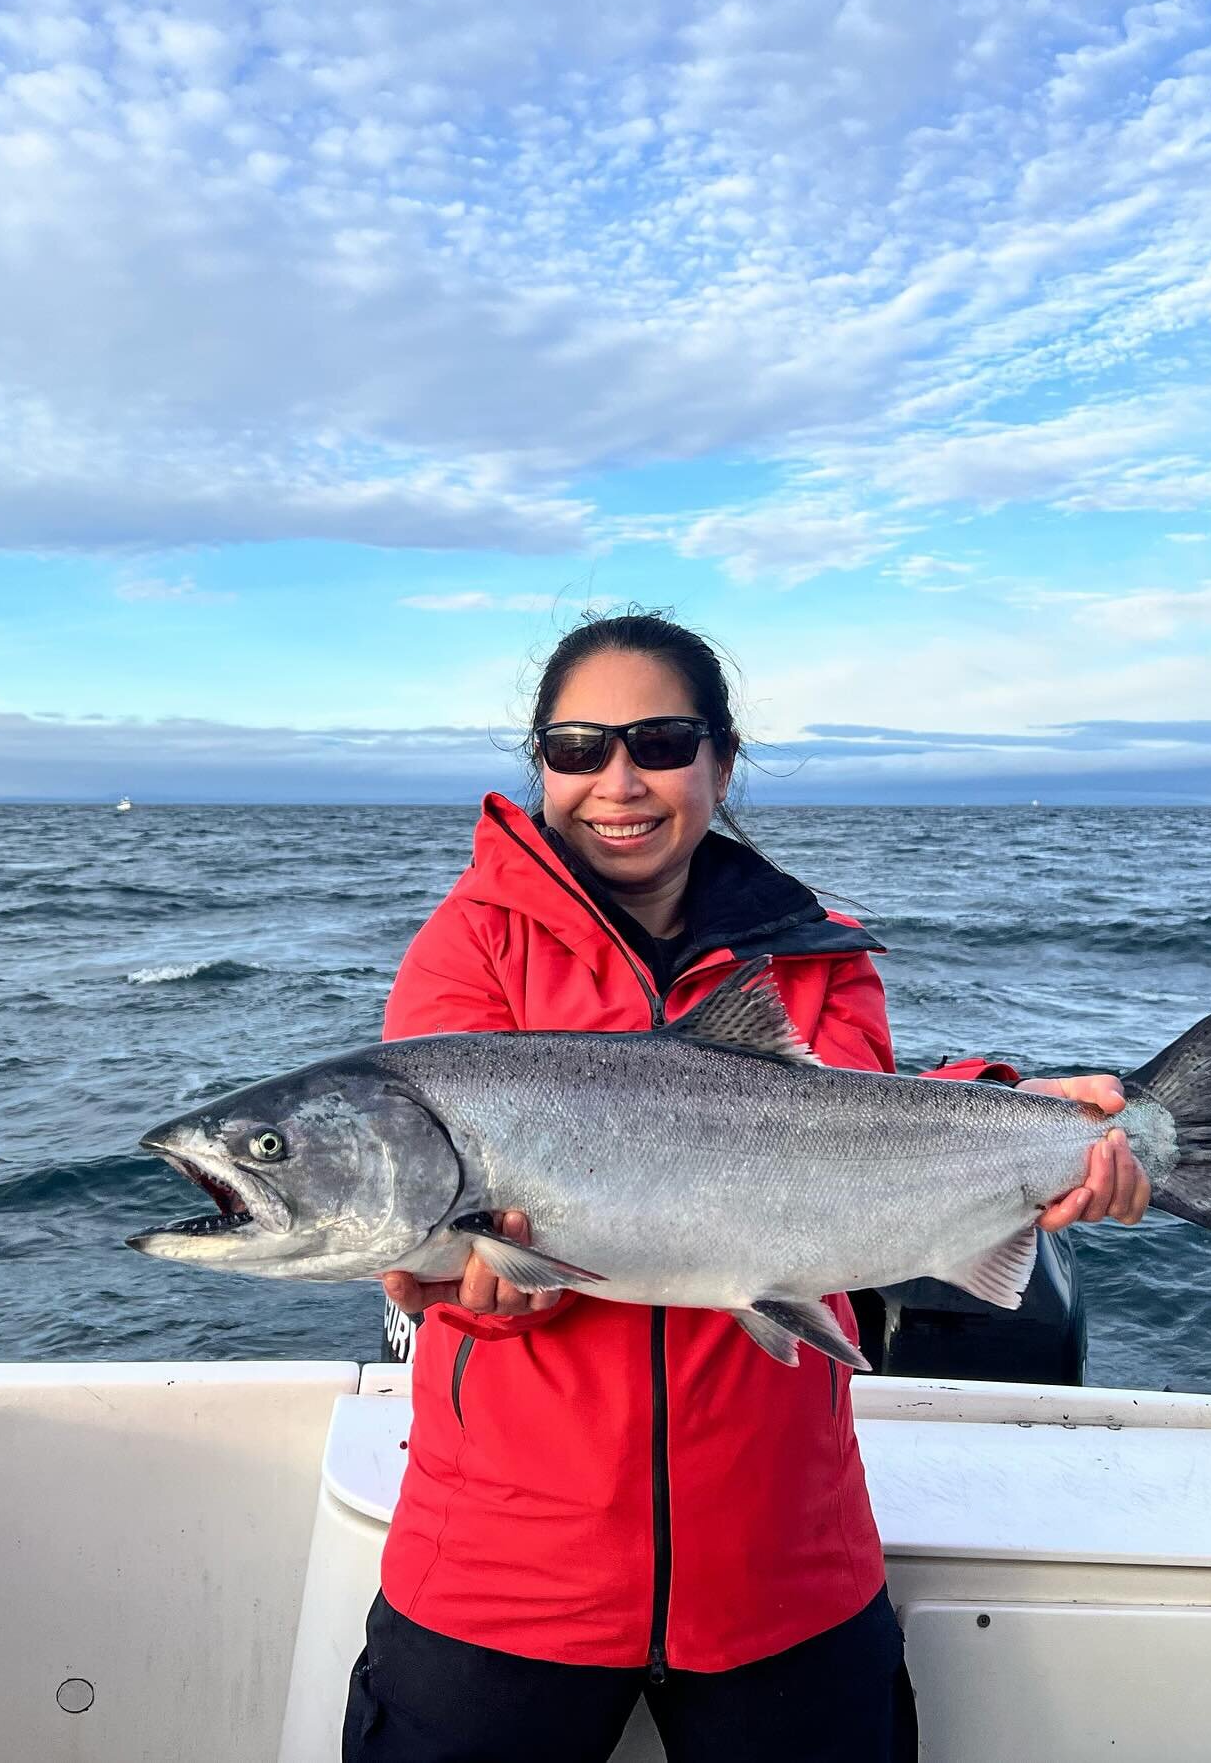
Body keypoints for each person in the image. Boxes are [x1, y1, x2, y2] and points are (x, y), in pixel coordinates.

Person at [343, 611, 1150, 1763]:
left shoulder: (819, 956)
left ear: (721, 761)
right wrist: (471, 1290)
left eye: (660, 741)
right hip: (501, 1572)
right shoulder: (469, 950)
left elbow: (863, 1132)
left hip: (785, 1565)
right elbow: (432, 1227)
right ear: (540, 767)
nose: (617, 780)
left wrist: (1032, 1117)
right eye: (577, 748)